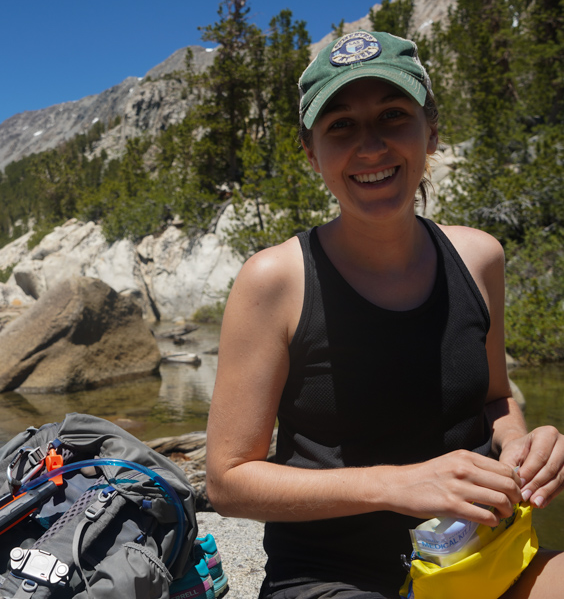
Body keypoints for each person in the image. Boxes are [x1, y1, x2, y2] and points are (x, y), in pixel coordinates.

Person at [205, 30, 564, 599]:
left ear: (431, 133)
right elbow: (227, 483)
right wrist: (399, 485)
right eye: (341, 125)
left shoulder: (480, 257)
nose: (370, 147)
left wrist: (522, 444)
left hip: (478, 560)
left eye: (394, 115)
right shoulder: (275, 280)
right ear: (310, 152)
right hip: (332, 577)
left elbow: (496, 397)